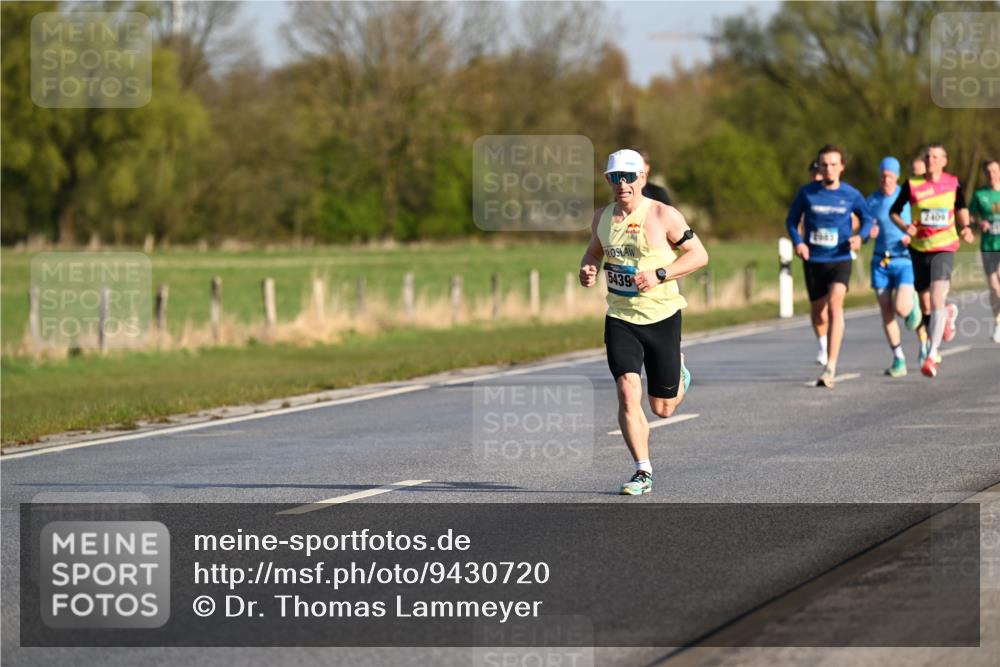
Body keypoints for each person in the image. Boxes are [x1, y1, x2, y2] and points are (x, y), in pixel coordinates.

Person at [580, 149, 709, 495]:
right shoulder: (602, 218)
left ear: (642, 178)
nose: (623, 184)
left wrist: (661, 273)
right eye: (615, 177)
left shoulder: (663, 215)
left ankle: (678, 373)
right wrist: (588, 267)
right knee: (626, 389)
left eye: (629, 176)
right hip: (621, 317)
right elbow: (594, 250)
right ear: (607, 180)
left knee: (663, 408)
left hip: (662, 316)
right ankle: (642, 471)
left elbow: (700, 255)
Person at [785, 144, 875, 388]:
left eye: (834, 164)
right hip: (813, 259)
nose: (829, 169)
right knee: (818, 311)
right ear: (819, 167)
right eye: (824, 165)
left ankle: (831, 366)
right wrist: (798, 243)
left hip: (840, 257)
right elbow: (791, 221)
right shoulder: (807, 193)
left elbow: (867, 218)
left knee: (836, 307)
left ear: (842, 167)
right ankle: (823, 345)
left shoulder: (851, 194)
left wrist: (861, 237)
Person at [889, 143, 974, 377]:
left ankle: (932, 354)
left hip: (944, 248)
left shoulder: (953, 183)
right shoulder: (912, 185)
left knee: (936, 298)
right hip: (919, 249)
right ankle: (946, 314)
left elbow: (961, 207)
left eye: (936, 157)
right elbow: (894, 211)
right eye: (928, 156)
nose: (931, 160)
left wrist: (965, 227)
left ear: (944, 161)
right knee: (926, 304)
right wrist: (905, 226)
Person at [866, 157, 923, 377]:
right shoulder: (871, 201)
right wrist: (868, 235)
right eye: (882, 176)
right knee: (886, 312)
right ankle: (898, 358)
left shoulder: (906, 198)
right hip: (880, 262)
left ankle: (913, 303)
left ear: (897, 176)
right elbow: (865, 226)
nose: (885, 180)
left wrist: (911, 236)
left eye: (889, 176)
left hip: (903, 260)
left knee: (901, 308)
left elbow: (919, 222)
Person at [970, 158, 1000, 343]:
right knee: (994, 287)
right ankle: (998, 324)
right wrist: (979, 222)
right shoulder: (980, 194)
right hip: (988, 246)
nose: (992, 175)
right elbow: (969, 216)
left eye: (995, 171)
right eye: (988, 172)